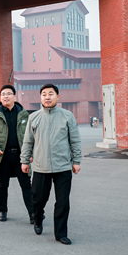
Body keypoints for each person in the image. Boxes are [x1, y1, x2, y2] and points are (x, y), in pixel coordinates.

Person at [21, 84, 81, 245]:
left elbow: (75, 140)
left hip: (63, 166)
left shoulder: (67, 116)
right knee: (38, 199)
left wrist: (76, 161)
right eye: (44, 94)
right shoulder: (34, 117)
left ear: (57, 96)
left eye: (51, 94)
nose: (47, 97)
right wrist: (24, 160)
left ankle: (61, 234)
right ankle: (38, 218)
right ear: (40, 98)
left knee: (63, 202)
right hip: (40, 166)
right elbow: (28, 141)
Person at [0, 84, 34, 224]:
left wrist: (30, 153)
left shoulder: (23, 114)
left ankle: (33, 213)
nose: (5, 97)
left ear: (14, 96)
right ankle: (3, 210)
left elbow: (31, 134)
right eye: (3, 94)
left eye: (8, 94)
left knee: (26, 184)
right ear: (0, 97)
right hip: (3, 155)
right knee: (2, 184)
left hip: (20, 155)